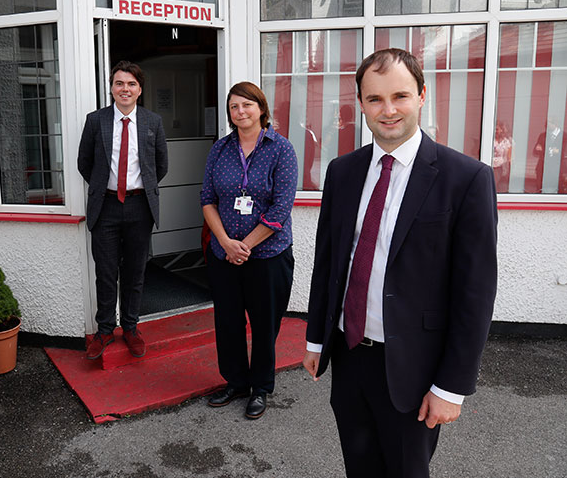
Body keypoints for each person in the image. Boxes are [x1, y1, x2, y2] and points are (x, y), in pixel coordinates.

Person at [303, 49, 498, 477]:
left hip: (414, 366)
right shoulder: (343, 171)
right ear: (360, 104)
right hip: (351, 356)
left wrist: (451, 387)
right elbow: (328, 262)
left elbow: (475, 293)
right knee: (360, 467)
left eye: (400, 96)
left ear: (422, 96)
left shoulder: (465, 179)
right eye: (374, 99)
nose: (388, 110)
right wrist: (316, 339)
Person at [201, 82, 298, 420]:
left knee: (264, 324)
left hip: (268, 256)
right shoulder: (220, 149)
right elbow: (207, 200)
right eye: (233, 107)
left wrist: (245, 246)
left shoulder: (281, 149)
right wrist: (227, 243)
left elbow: (281, 207)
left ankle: (260, 387)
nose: (240, 112)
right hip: (224, 254)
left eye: (246, 105)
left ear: (261, 108)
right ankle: (236, 382)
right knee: (227, 322)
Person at [77, 61, 168, 360]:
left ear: (139, 89)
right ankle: (105, 330)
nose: (124, 89)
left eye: (130, 84)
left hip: (140, 206)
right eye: (119, 83)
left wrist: (136, 189)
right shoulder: (95, 121)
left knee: (135, 271)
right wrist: (106, 185)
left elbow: (160, 166)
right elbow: (84, 163)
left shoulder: (153, 122)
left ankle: (130, 327)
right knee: (105, 272)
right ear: (112, 88)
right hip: (105, 206)